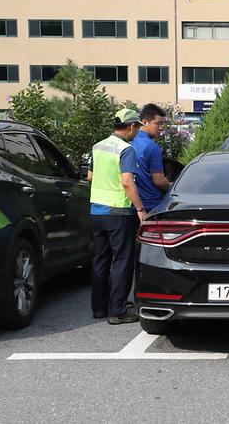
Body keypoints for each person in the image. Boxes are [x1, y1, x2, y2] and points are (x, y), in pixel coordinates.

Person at [88, 108, 148, 325]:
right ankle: (118, 310)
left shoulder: (98, 146)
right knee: (122, 260)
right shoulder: (126, 149)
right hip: (118, 212)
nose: (137, 132)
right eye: (137, 128)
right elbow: (126, 182)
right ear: (131, 126)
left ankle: (98, 308)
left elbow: (90, 176)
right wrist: (140, 209)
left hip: (96, 211)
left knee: (100, 259)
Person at [131, 103, 172, 212]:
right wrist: (173, 187)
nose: (161, 128)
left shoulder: (128, 141)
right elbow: (158, 181)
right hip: (151, 204)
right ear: (144, 122)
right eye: (158, 124)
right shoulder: (152, 147)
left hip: (130, 204)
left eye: (162, 124)